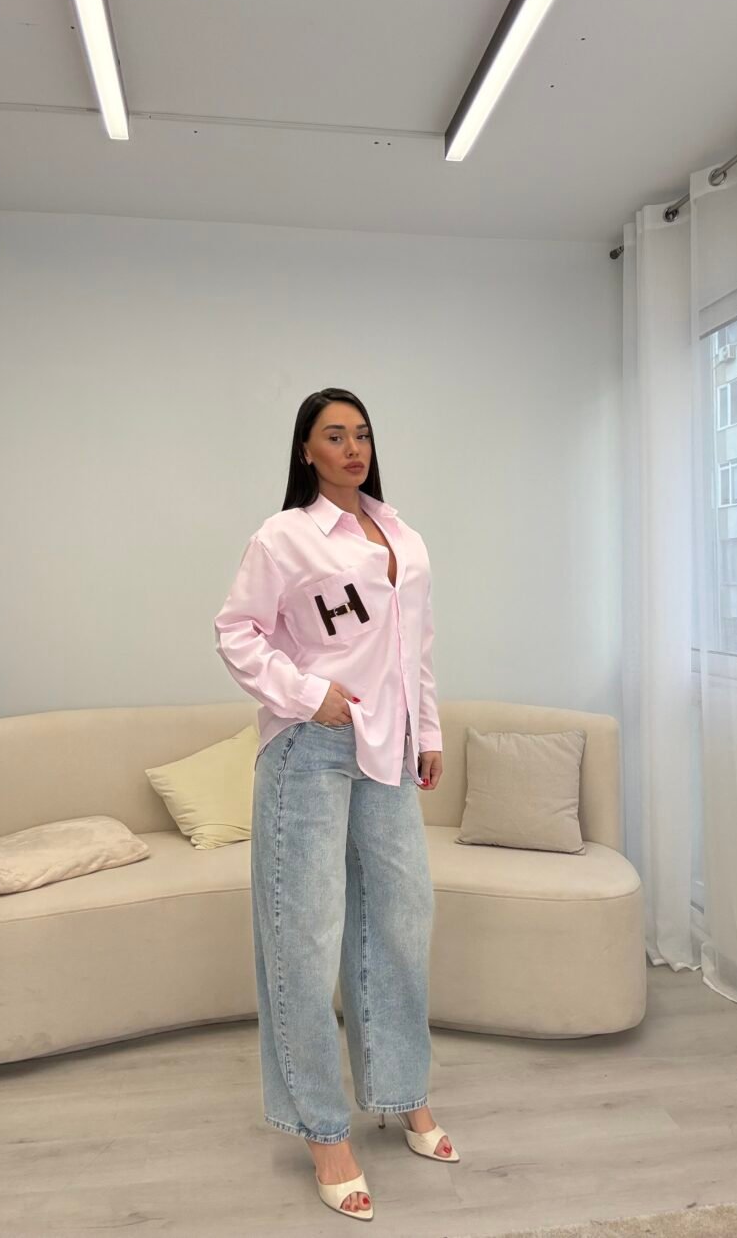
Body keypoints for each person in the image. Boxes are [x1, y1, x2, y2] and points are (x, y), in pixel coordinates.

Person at [213, 387, 459, 1222]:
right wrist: (307, 692)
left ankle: (402, 1090)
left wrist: (428, 729)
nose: (353, 448)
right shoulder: (284, 536)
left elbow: (415, 647)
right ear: (306, 450)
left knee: (401, 919)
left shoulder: (403, 537)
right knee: (306, 938)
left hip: (389, 751)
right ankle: (323, 1129)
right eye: (334, 435)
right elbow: (236, 629)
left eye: (362, 434)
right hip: (310, 749)